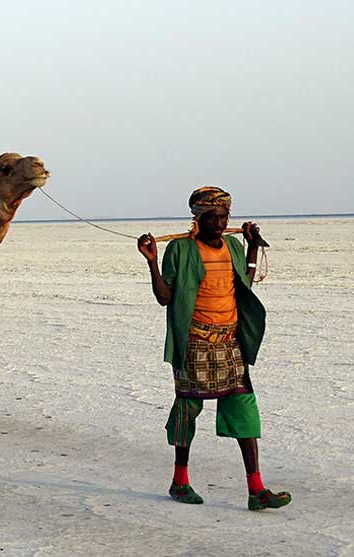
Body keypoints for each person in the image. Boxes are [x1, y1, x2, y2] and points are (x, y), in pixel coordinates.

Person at [137, 186, 291, 511]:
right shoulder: (180, 249)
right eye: (213, 217)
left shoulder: (233, 245)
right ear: (197, 219)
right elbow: (165, 297)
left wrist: (250, 247)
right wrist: (152, 262)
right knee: (188, 410)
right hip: (195, 343)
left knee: (244, 408)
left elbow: (245, 282)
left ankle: (257, 490)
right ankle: (180, 482)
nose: (220, 223)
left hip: (230, 342)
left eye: (224, 217)